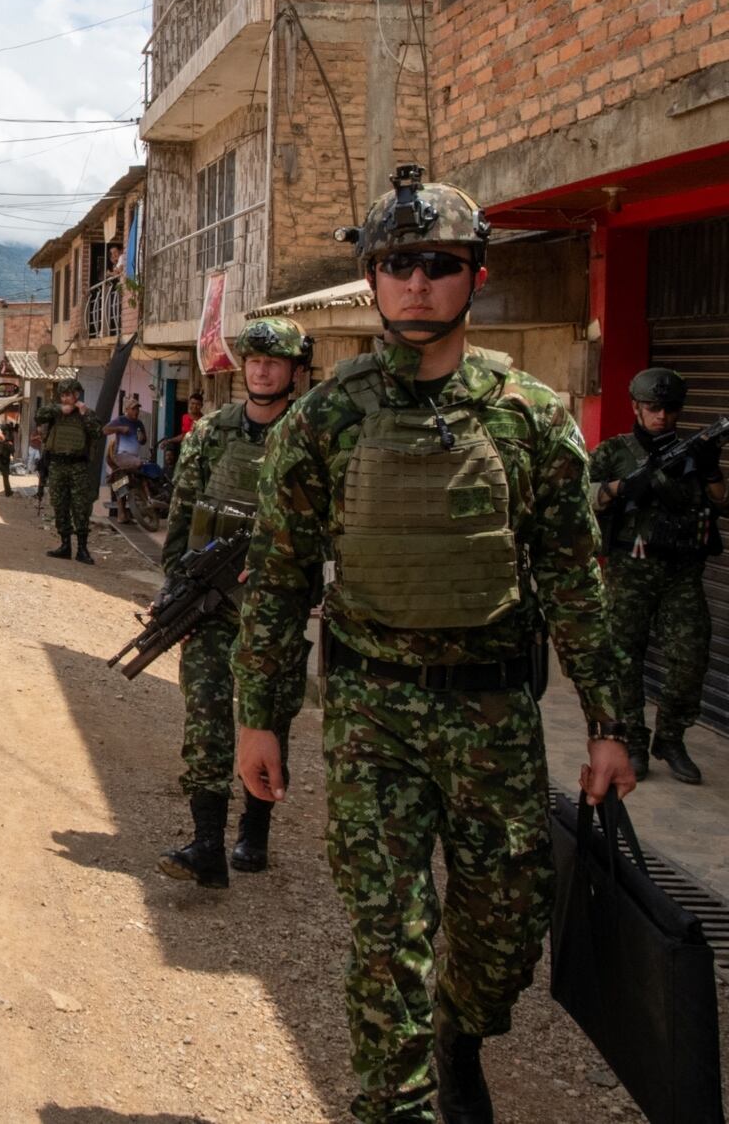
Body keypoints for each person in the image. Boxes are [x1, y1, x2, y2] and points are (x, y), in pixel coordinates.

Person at [234, 166, 632, 1124]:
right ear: (373, 278)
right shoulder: (326, 419)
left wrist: (614, 724)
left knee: (503, 932)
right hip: (374, 718)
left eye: (440, 264)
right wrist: (261, 718)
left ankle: (462, 1032)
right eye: (398, 264)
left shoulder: (529, 416)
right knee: (388, 938)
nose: (417, 282)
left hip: (495, 713)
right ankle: (400, 1102)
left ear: (475, 275)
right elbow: (278, 585)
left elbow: (577, 580)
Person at [156, 317, 311, 888]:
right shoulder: (213, 433)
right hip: (212, 603)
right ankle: (205, 842)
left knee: (267, 716)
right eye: (254, 360)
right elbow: (183, 515)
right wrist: (174, 589)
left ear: (295, 370)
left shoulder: (310, 436)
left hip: (276, 611)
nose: (263, 369)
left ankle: (256, 830)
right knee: (205, 716)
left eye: (274, 362)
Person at [588, 366, 727, 785]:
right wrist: (618, 489)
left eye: (670, 408)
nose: (661, 416)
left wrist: (710, 471)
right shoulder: (615, 451)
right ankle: (632, 741)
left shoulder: (693, 452)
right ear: (636, 406)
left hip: (681, 572)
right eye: (653, 407)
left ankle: (670, 737)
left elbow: (722, 503)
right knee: (624, 661)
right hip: (630, 572)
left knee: (690, 658)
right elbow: (580, 497)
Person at [42, 379, 101, 563]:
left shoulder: (87, 414)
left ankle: (82, 549)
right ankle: (65, 545)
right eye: (63, 395)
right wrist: (59, 409)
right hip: (57, 466)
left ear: (77, 395)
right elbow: (39, 414)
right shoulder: (56, 413)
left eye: (69, 394)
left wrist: (84, 415)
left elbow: (98, 433)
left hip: (78, 467)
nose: (66, 398)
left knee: (80, 508)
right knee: (60, 505)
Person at [104, 395, 148, 523]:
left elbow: (144, 440)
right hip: (121, 456)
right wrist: (120, 429)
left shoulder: (139, 423)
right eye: (134, 409)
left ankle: (124, 514)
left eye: (137, 409)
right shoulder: (121, 420)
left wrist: (142, 438)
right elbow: (105, 430)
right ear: (127, 409)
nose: (136, 411)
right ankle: (122, 513)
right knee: (136, 466)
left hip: (132, 457)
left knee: (122, 482)